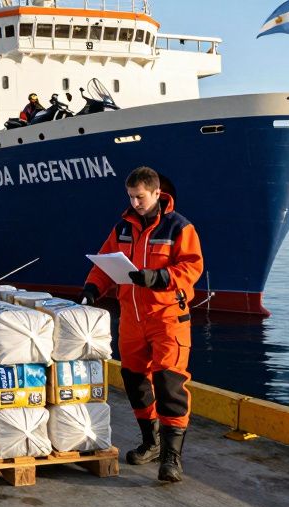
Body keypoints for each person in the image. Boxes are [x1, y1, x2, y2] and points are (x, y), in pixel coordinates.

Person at [80, 166, 204, 483]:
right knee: (134, 381)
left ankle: (171, 459)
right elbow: (105, 263)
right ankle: (151, 442)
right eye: (131, 197)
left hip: (167, 318)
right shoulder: (123, 228)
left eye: (140, 197)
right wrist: (92, 290)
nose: (135, 203)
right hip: (132, 318)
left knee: (169, 385)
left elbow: (192, 268)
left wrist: (160, 278)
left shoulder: (180, 227)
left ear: (156, 193)